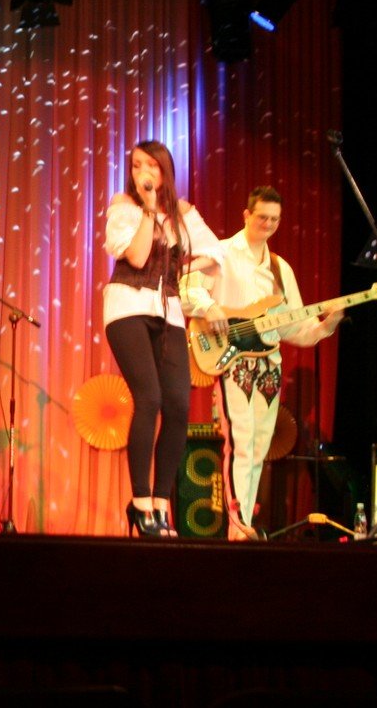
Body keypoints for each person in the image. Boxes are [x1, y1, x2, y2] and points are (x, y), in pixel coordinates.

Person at [179, 185, 343, 540]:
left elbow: (294, 328)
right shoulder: (221, 253)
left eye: (275, 219)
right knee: (240, 441)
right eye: (262, 217)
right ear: (246, 215)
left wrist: (327, 325)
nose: (268, 224)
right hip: (233, 360)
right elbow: (186, 288)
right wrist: (210, 307)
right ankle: (238, 526)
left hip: (269, 365)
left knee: (257, 448)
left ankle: (243, 525)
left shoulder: (280, 269)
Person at [102, 140, 221, 537]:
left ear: (165, 170)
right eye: (136, 166)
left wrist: (183, 266)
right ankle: (140, 505)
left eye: (150, 165)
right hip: (127, 307)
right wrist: (149, 211)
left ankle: (161, 505)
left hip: (168, 311)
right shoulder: (124, 206)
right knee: (149, 398)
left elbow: (214, 254)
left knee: (178, 406)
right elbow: (137, 258)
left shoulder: (184, 213)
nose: (142, 173)